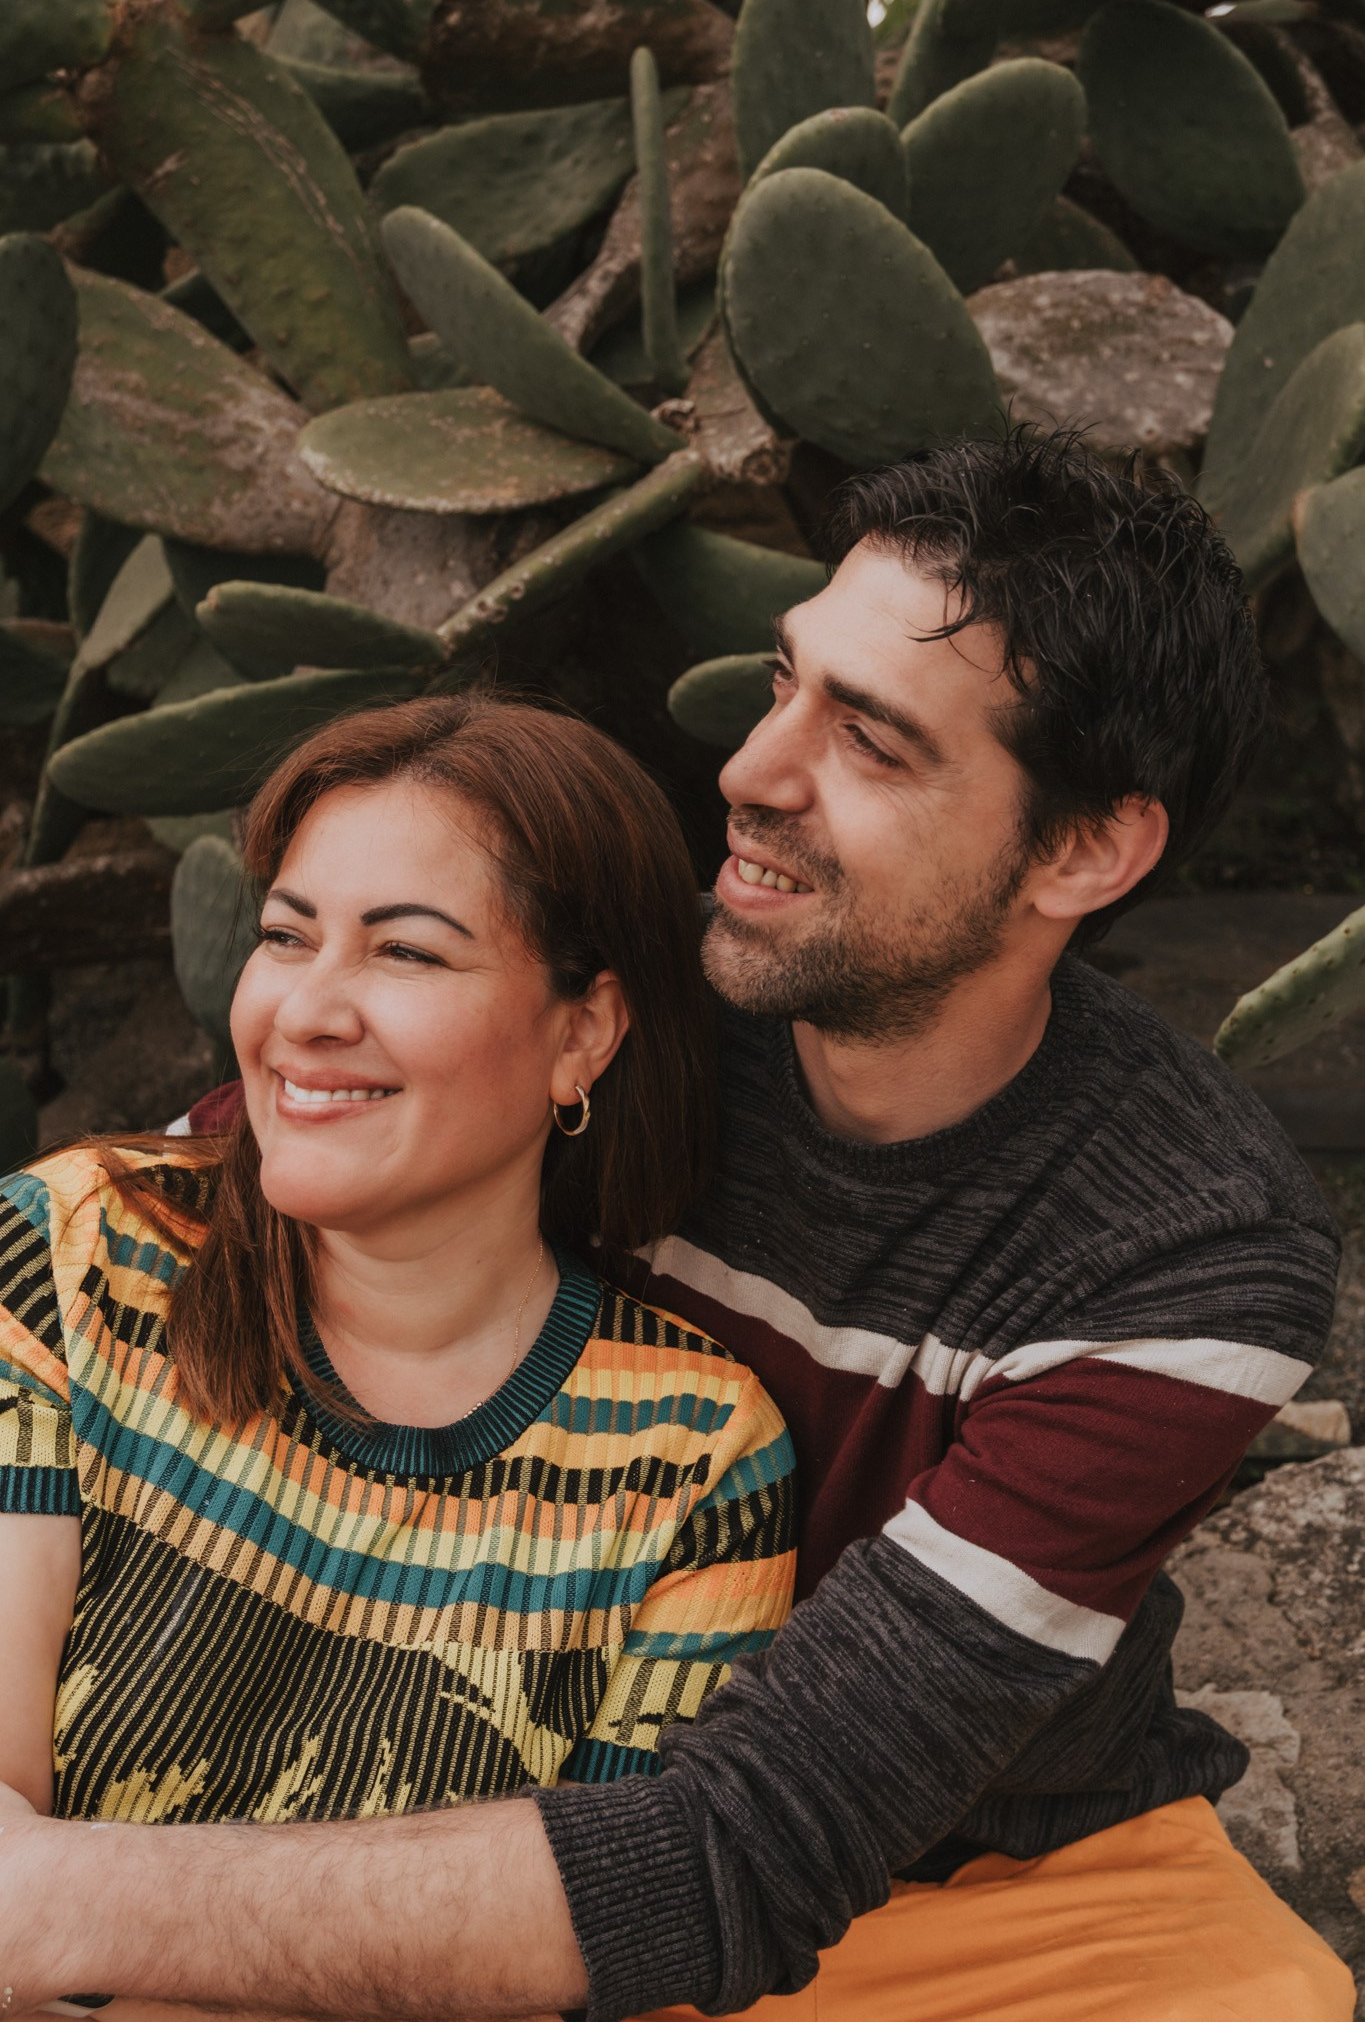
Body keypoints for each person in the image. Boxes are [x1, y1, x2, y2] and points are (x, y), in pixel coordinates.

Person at [0, 429, 1352, 2021]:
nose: (751, 772)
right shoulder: (614, 1000)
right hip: (510, 1792)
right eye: (784, 684)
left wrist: (53, 1905)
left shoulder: (1182, 1250)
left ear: (1084, 849)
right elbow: (168, 1219)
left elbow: (750, 1845)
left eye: (870, 741)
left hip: (974, 1878)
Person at [0, 699, 794, 1870]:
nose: (306, 1013)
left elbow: (594, 1929)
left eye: (406, 950)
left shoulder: (696, 1459)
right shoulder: (72, 1253)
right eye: (285, 935)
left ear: (582, 1033)